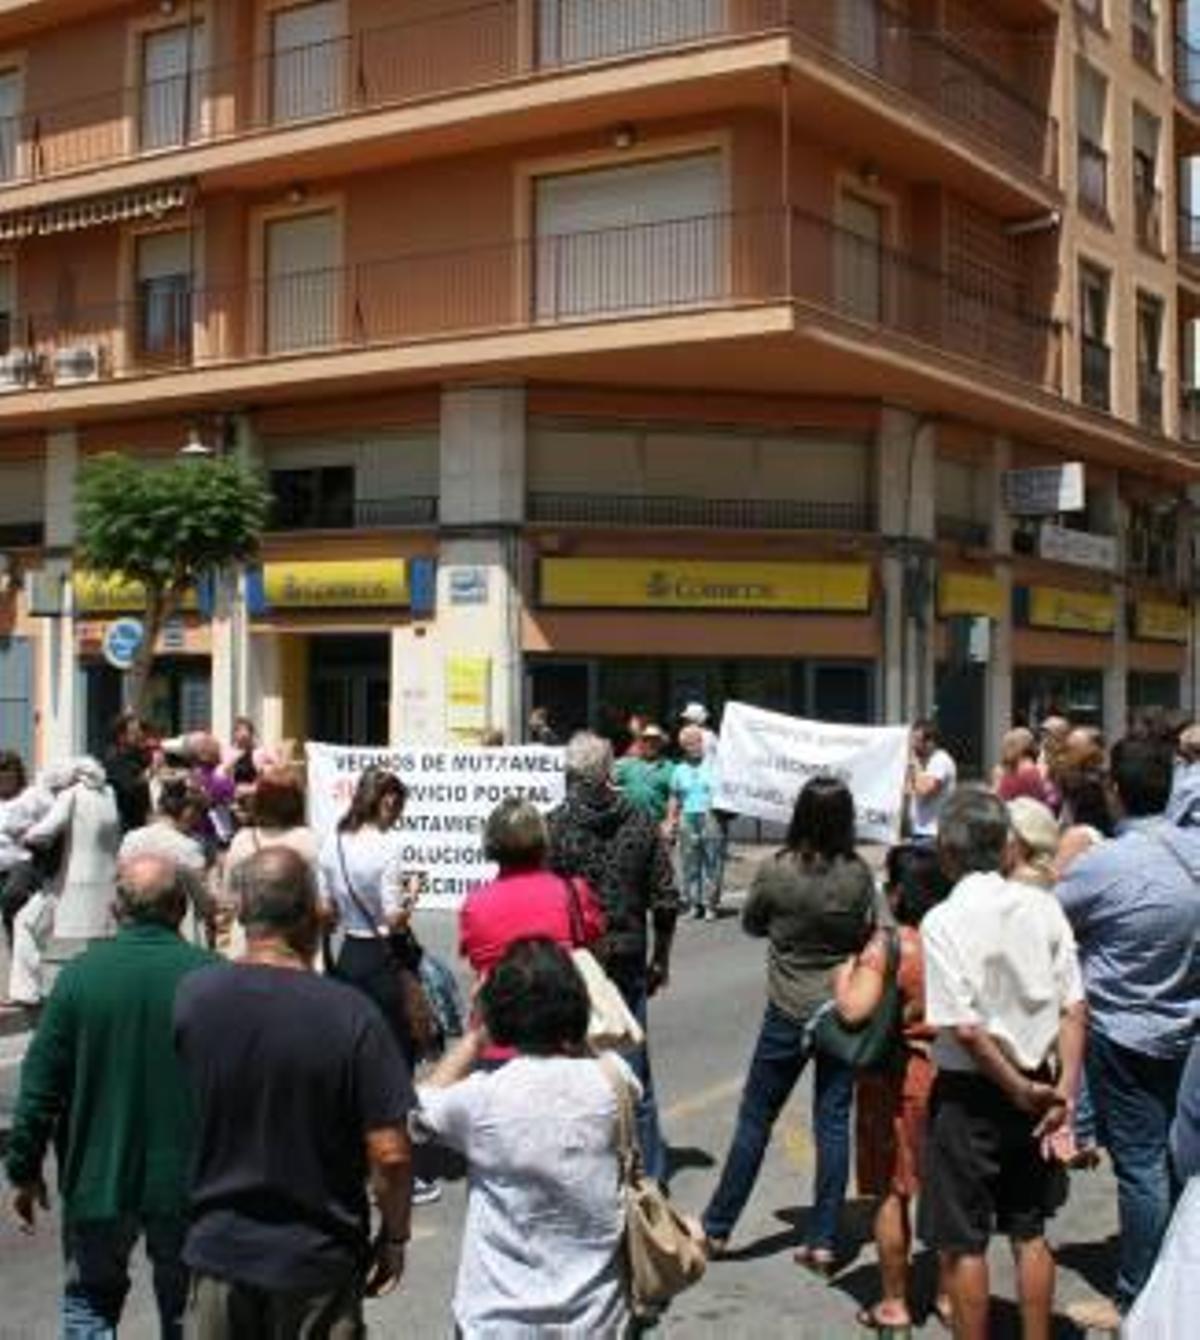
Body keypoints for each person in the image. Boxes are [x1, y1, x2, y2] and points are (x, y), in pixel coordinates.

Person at [175, 847, 415, 1337]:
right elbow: (390, 1153)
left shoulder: (195, 998)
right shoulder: (351, 1014)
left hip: (221, 1250)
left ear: (242, 911)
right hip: (317, 1259)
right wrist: (394, 1237)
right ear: (313, 915)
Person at [5, 854, 215, 1337]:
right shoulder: (212, 977)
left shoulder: (79, 978)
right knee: (187, 1310)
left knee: (90, 1303)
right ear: (181, 908)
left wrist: (24, 1169)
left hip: (98, 1177)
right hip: (186, 1180)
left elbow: (40, 1087)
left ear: (116, 909)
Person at [919, 788, 1086, 1340]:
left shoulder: (943, 920)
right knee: (1029, 1231)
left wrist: (1015, 1087)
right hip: (1040, 1084)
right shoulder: (1044, 907)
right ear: (1006, 847)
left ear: (947, 851)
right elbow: (1074, 1008)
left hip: (972, 1096)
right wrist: (1063, 1092)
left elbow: (965, 1028)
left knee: (965, 1242)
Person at [412, 938, 636, 1337]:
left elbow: (418, 1109)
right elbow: (602, 1050)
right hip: (597, 1317)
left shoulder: (482, 1099)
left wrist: (475, 1037)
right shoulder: (615, 1080)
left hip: (499, 1319)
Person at [1057, 736, 1200, 1330]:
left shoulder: (1105, 862)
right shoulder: (1194, 851)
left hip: (1124, 1031)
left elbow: (1052, 918)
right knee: (1173, 1156)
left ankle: (1135, 1296)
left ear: (1115, 791)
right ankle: (1172, 1272)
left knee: (1141, 1166)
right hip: (1186, 1024)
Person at [702, 776, 875, 1269]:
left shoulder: (778, 871)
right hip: (840, 1009)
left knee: (756, 1118)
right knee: (833, 1122)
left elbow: (752, 922)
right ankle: (823, 1239)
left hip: (787, 1007)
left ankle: (717, 1228)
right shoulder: (857, 875)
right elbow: (866, 932)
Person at [547, 731, 679, 1185]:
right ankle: (650, 1175)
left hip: (574, 960)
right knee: (633, 1065)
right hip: (626, 952)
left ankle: (581, 1168)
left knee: (570, 1067)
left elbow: (546, 900)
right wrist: (662, 957)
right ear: (609, 771)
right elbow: (666, 898)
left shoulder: (555, 825)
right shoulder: (640, 821)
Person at [833, 843, 952, 1335]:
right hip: (949, 1071)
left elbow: (853, 1010)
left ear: (899, 892)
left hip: (894, 1079)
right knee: (948, 1191)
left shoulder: (890, 946)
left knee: (890, 1190)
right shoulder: (954, 938)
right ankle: (950, 1294)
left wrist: (844, 976)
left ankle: (895, 1303)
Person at [460, 797, 604, 1060]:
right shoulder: (573, 892)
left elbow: (478, 966)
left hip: (496, 1042)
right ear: (542, 839)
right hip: (562, 1042)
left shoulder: (475, 904)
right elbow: (594, 950)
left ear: (491, 843)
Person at [317, 768, 423, 1068]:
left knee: (354, 1048)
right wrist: (412, 895)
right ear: (387, 802)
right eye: (398, 809)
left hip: (348, 954)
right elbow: (393, 920)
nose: (398, 817)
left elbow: (326, 911)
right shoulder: (387, 847)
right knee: (396, 1049)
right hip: (384, 958)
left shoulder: (332, 842)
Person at [7, 757, 121, 1006]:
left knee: (25, 922)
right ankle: (102, 994)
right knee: (98, 942)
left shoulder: (71, 795)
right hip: (104, 880)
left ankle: (26, 990)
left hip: (69, 880)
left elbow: (46, 830)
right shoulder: (109, 794)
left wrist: (25, 835)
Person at [119, 775, 215, 948]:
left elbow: (120, 885)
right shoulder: (188, 848)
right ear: (188, 811)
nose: (199, 821)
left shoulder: (131, 839)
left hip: (134, 930)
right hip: (179, 935)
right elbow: (204, 903)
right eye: (200, 813)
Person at [665, 723, 723, 920]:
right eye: (689, 743)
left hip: (710, 815)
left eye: (697, 741)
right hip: (687, 816)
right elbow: (674, 796)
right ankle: (693, 904)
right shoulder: (679, 769)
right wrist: (671, 820)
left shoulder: (715, 765)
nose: (694, 746)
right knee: (689, 861)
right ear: (683, 746)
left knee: (711, 861)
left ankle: (710, 904)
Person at [0, 752, 50, 948]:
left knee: (12, 896)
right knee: (11, 913)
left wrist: (32, 833)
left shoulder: (32, 796)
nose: (3, 775)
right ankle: (17, 950)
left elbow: (53, 822)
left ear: (17, 773)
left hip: (24, 861)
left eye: (7, 770)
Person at [614, 722, 674, 823]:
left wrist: (669, 821)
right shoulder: (626, 765)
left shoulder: (670, 768)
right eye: (646, 740)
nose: (650, 744)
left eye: (655, 740)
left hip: (657, 823)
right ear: (641, 743)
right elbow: (609, 781)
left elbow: (676, 798)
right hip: (628, 823)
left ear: (661, 744)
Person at [906, 720, 956, 840]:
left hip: (934, 833)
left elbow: (924, 790)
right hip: (919, 830)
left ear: (930, 742)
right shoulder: (923, 763)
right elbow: (909, 790)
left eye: (917, 740)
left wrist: (914, 763)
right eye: (912, 739)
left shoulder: (940, 760)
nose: (913, 745)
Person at [104, 710, 151, 836]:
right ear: (122, 737)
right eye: (135, 732)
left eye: (141, 731)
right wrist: (150, 775)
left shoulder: (138, 760)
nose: (141, 735)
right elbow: (129, 787)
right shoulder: (115, 762)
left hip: (141, 830)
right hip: (126, 833)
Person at [992, 728, 1053, 807]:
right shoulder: (1006, 771)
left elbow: (999, 801)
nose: (1004, 750)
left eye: (1010, 745)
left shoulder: (1029, 772)